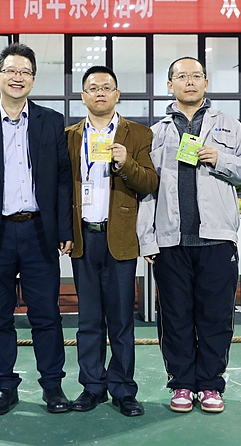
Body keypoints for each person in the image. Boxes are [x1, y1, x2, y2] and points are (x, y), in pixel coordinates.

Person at [136, 56, 241, 414]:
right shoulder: (155, 133)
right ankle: (181, 383)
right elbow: (147, 190)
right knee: (174, 317)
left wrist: (220, 159)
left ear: (205, 82)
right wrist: (147, 238)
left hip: (217, 239)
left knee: (216, 316)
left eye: (196, 76)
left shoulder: (228, 125)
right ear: (169, 85)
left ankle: (209, 385)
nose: (189, 81)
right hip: (171, 241)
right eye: (181, 76)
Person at [0, 43, 74, 415]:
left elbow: (63, 180)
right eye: (11, 70)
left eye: (25, 71)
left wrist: (64, 228)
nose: (17, 77)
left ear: (33, 79)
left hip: (40, 232)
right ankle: (4, 387)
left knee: (47, 314)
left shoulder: (51, 121)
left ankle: (53, 386)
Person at [65, 66, 158, 417]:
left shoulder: (139, 134)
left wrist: (125, 162)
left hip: (120, 237)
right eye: (93, 88)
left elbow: (149, 183)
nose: (100, 93)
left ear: (117, 94)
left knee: (121, 321)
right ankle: (92, 386)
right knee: (88, 320)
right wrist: (64, 232)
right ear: (83, 96)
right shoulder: (69, 136)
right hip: (83, 238)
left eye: (107, 87)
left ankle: (123, 389)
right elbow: (61, 188)